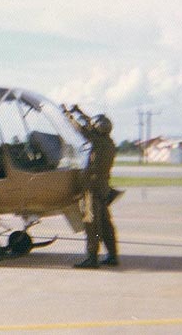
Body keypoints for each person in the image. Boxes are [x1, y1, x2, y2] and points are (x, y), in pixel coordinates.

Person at [63, 104, 120, 268]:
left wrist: (68, 114)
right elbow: (92, 124)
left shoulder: (95, 141)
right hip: (103, 188)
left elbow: (80, 128)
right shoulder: (109, 143)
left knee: (91, 223)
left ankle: (92, 258)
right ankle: (113, 255)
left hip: (92, 189)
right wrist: (78, 111)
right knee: (106, 223)